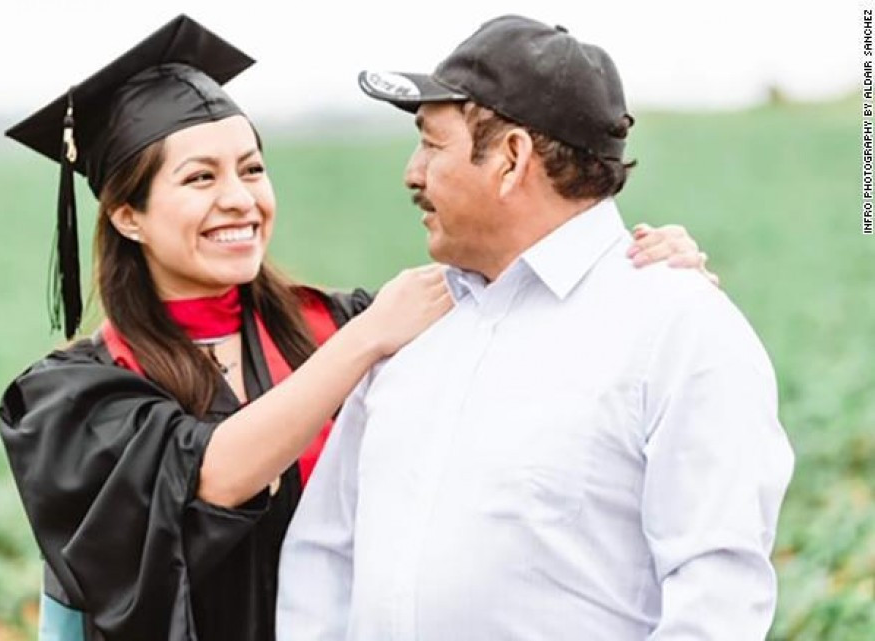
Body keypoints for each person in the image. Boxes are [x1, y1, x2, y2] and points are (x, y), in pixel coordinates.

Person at [0, 14, 719, 641]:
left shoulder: (331, 323)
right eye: (199, 179)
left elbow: (519, 302)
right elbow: (210, 472)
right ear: (128, 215)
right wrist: (366, 339)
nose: (239, 199)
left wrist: (627, 265)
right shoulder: (72, 403)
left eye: (251, 169)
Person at [277, 15, 794, 641]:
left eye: (432, 144)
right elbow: (325, 557)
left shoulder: (679, 330)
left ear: (511, 158)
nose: (413, 173)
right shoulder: (407, 324)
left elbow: (716, 604)